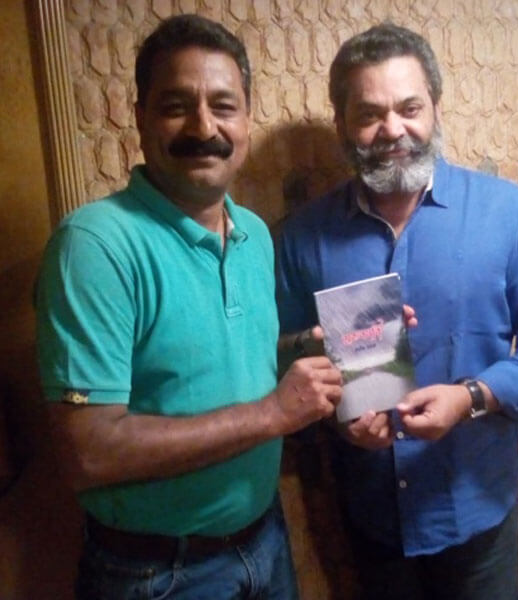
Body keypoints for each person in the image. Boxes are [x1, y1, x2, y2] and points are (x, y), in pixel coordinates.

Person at [35, 14, 342, 600]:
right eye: (177, 106)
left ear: (246, 120)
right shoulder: (95, 245)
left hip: (265, 541)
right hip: (157, 574)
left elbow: (226, 365)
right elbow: (88, 452)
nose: (204, 127)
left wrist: (306, 351)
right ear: (140, 118)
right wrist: (274, 414)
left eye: (224, 106)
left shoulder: (254, 234)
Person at [276, 23, 518, 600]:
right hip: (370, 519)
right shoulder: (302, 238)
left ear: (436, 109)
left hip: (479, 512)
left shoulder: (506, 211)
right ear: (342, 124)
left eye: (409, 108)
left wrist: (472, 397)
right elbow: (279, 358)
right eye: (369, 114)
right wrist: (336, 411)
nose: (393, 129)